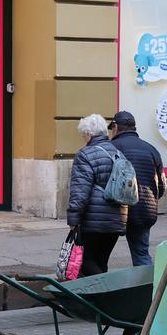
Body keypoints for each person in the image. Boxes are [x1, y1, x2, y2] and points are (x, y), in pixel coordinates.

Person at [66, 113, 128, 276]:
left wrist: (73, 218)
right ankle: (99, 299)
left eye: (83, 135)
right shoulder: (117, 152)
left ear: (89, 134)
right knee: (101, 260)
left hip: (94, 220)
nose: (83, 138)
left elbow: (80, 191)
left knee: (86, 261)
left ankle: (107, 296)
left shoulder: (85, 155)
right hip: (117, 217)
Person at [108, 110, 166, 267]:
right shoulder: (151, 149)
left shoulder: (111, 147)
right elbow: (161, 185)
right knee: (141, 254)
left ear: (115, 127)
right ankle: (150, 289)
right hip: (145, 210)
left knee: (99, 257)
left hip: (116, 211)